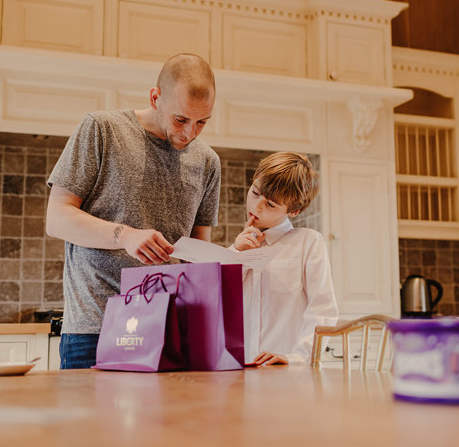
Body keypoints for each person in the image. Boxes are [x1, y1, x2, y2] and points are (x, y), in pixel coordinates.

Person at [46, 53, 221, 370]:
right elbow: (57, 219)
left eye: (202, 122)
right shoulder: (102, 129)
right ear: (156, 98)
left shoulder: (208, 162)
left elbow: (199, 253)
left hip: (169, 331)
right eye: (180, 119)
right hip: (95, 330)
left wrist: (238, 258)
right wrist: (125, 236)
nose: (189, 133)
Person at [231, 152, 338, 366]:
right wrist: (236, 254)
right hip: (237, 371)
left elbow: (322, 311)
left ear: (294, 211)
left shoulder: (308, 244)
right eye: (255, 193)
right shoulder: (235, 250)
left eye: (270, 204)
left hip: (287, 374)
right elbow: (217, 304)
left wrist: (297, 358)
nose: (257, 207)